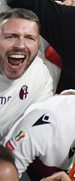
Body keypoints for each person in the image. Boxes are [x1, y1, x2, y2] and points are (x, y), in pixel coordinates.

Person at [0, 9, 53, 139]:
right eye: (11, 37)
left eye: (30, 38)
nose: (20, 45)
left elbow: (34, 126)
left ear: (38, 43)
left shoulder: (39, 72)